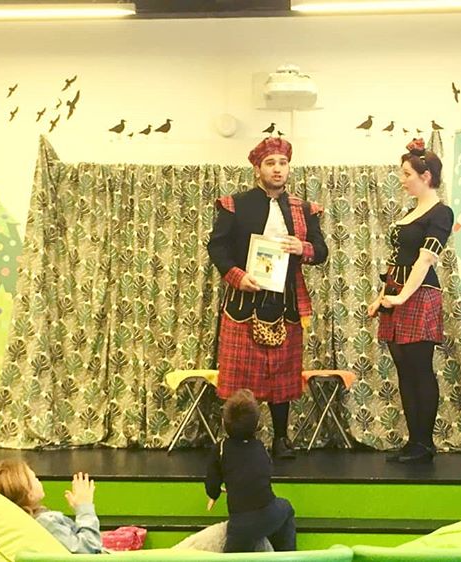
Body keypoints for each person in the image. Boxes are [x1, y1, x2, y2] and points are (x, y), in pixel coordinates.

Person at [207, 137, 328, 459]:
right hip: (243, 302)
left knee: (282, 375)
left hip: (286, 303)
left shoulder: (303, 210)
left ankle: (281, 439)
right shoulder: (235, 204)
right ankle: (237, 443)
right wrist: (237, 276)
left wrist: (303, 247)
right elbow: (217, 247)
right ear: (257, 168)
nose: (277, 169)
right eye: (270, 163)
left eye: (282, 163)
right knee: (240, 376)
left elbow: (321, 251)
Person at [368, 138, 454, 464]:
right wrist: (382, 298)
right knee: (404, 368)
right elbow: (396, 260)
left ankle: (424, 443)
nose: (402, 180)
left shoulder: (441, 212)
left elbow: (426, 259)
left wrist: (402, 296)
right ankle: (413, 441)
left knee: (420, 368)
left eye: (407, 174)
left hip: (419, 294)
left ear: (426, 176)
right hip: (397, 294)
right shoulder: (409, 212)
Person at [205, 389, 296, 553]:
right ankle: (285, 554)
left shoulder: (221, 448)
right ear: (256, 425)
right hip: (269, 514)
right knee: (286, 508)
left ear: (224, 423)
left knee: (233, 554)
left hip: (241, 525)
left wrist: (214, 493)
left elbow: (212, 481)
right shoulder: (260, 447)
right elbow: (266, 472)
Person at [0, 459, 102, 554]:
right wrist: (84, 508)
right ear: (29, 494)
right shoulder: (46, 522)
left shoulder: (20, 522)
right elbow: (88, 549)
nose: (39, 480)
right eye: (34, 478)